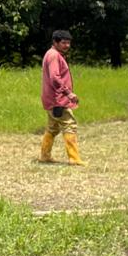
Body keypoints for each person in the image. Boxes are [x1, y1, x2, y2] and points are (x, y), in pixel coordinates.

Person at [40, 29, 84, 166]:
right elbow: (55, 77)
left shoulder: (52, 54)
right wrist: (68, 93)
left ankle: (45, 156)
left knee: (52, 128)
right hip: (58, 100)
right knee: (69, 125)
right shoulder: (54, 55)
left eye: (68, 43)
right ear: (55, 42)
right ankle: (74, 158)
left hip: (52, 99)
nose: (67, 46)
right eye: (64, 43)